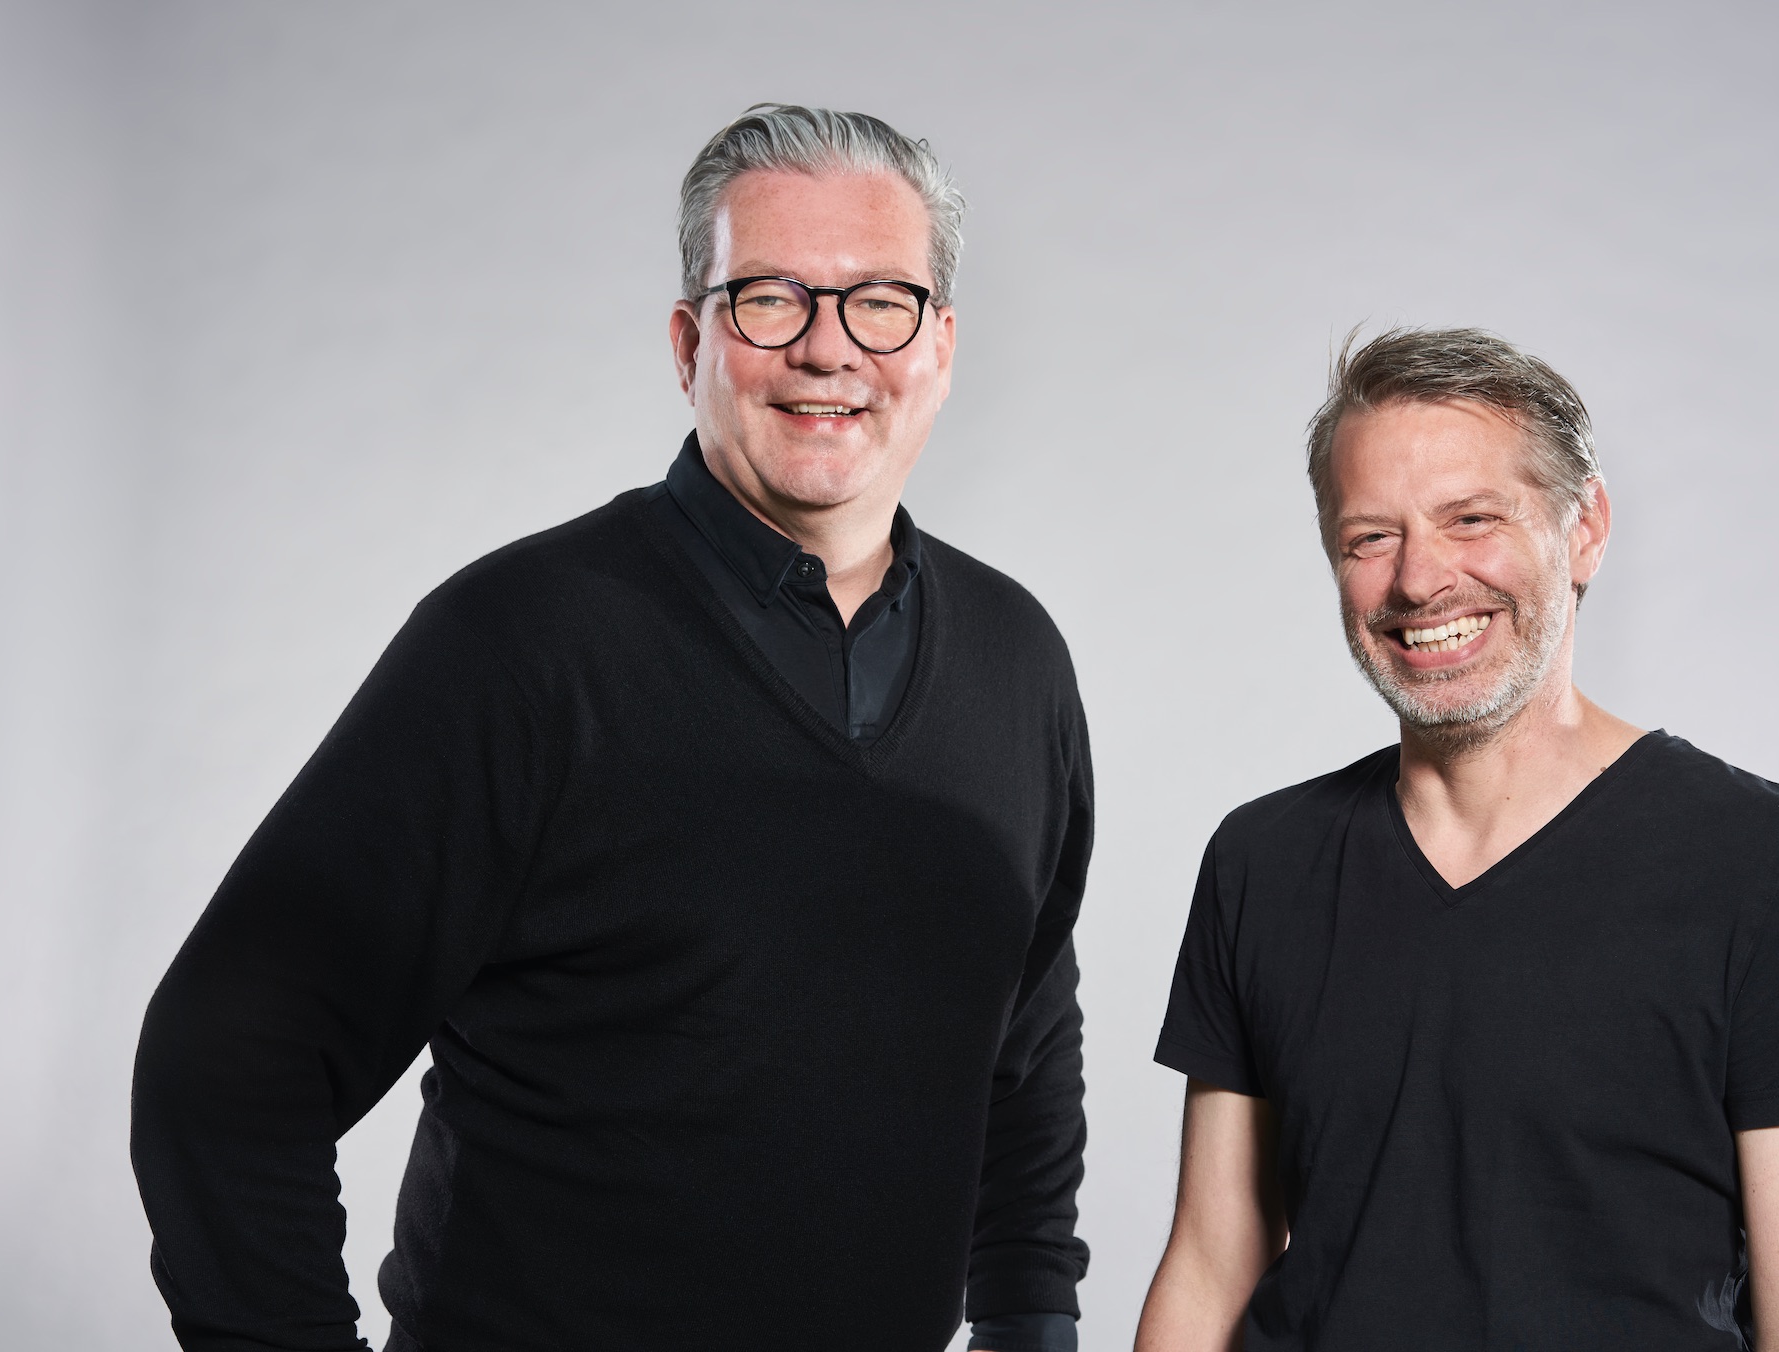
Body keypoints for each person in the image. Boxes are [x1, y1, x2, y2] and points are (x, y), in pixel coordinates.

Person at [132, 105, 1091, 1352]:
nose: (826, 348)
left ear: (940, 344)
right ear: (690, 342)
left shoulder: (1017, 658)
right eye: (768, 299)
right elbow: (230, 1053)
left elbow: (1023, 1032)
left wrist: (1029, 1322)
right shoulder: (522, 642)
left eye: (879, 302)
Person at [1135, 328, 1779, 1351]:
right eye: (1370, 536)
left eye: (1471, 518)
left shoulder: (1773, 869)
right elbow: (1208, 1262)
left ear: (1583, 528)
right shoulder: (1261, 861)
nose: (1419, 579)